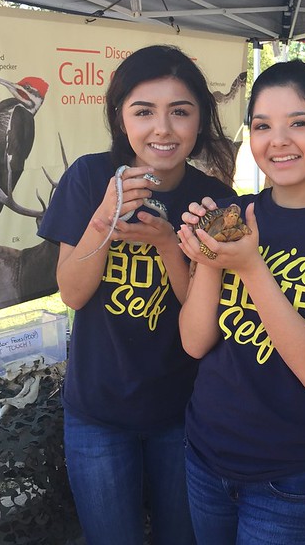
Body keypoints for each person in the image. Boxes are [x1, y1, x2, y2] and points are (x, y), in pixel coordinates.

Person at [176, 59, 305, 545]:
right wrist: (209, 257)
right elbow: (193, 343)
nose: (279, 140)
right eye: (262, 126)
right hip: (206, 451)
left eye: (299, 123)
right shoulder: (238, 213)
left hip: (291, 473)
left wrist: (250, 267)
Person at [37, 44, 236, 545]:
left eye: (180, 112)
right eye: (143, 111)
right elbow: (72, 294)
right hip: (98, 411)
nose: (162, 129)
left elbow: (204, 322)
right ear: (120, 117)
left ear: (200, 121)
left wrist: (170, 243)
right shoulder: (88, 178)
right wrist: (105, 216)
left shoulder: (215, 200)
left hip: (185, 411)